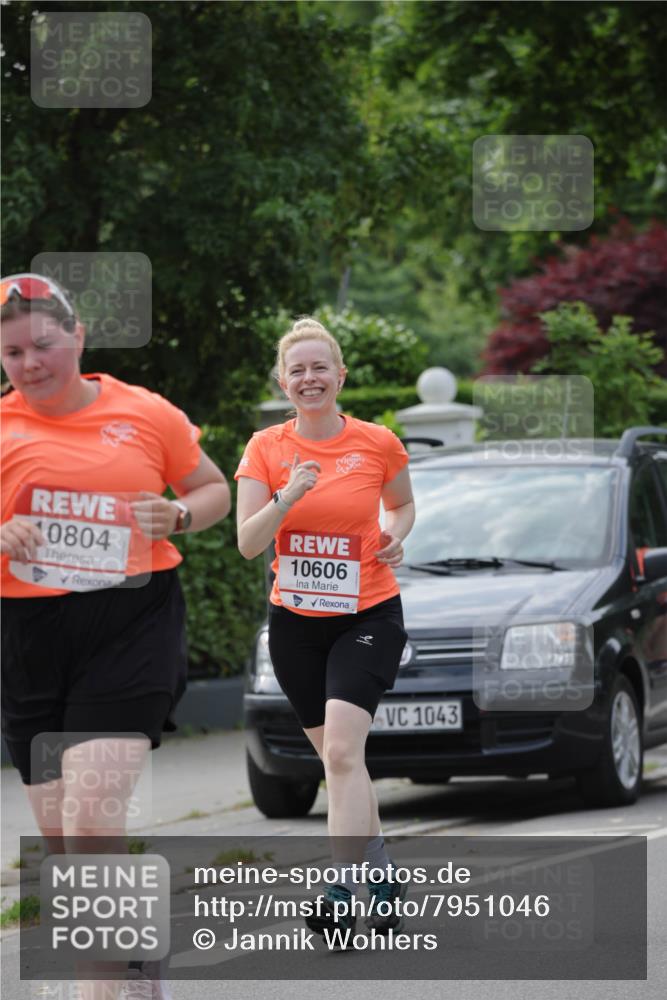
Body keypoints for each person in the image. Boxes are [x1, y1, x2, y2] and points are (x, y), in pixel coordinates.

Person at [0, 273, 231, 1000]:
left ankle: (102, 989)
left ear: (78, 338)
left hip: (130, 620)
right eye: (10, 353)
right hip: (29, 639)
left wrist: (180, 517)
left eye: (42, 345)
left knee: (92, 817)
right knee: (65, 844)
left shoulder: (145, 413)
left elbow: (212, 487)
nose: (29, 364)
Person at [236, 316, 415, 936]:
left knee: (341, 751)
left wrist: (395, 538)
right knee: (341, 764)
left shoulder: (378, 442)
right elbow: (246, 543)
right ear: (283, 383)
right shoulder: (265, 447)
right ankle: (383, 868)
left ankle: (340, 888)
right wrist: (286, 497)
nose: (309, 379)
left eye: (320, 368)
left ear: (340, 376)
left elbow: (402, 504)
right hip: (295, 623)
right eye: (297, 370)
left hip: (367, 613)